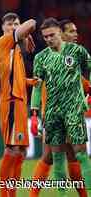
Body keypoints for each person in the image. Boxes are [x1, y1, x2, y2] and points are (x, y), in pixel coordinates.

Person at [31, 17, 91, 196]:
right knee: (53, 157)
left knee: (77, 155)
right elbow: (37, 86)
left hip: (72, 112)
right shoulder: (41, 58)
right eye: (45, 36)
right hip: (52, 114)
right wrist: (34, 114)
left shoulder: (76, 53)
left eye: (51, 35)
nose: (48, 39)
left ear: (59, 34)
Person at [0, 12, 37, 197]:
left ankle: (12, 193)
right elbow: (33, 22)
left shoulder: (16, 51)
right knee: (12, 148)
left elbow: (14, 78)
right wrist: (26, 33)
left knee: (21, 150)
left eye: (16, 24)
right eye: (10, 24)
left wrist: (30, 82)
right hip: (11, 103)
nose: (13, 27)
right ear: (3, 28)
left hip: (20, 103)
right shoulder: (3, 42)